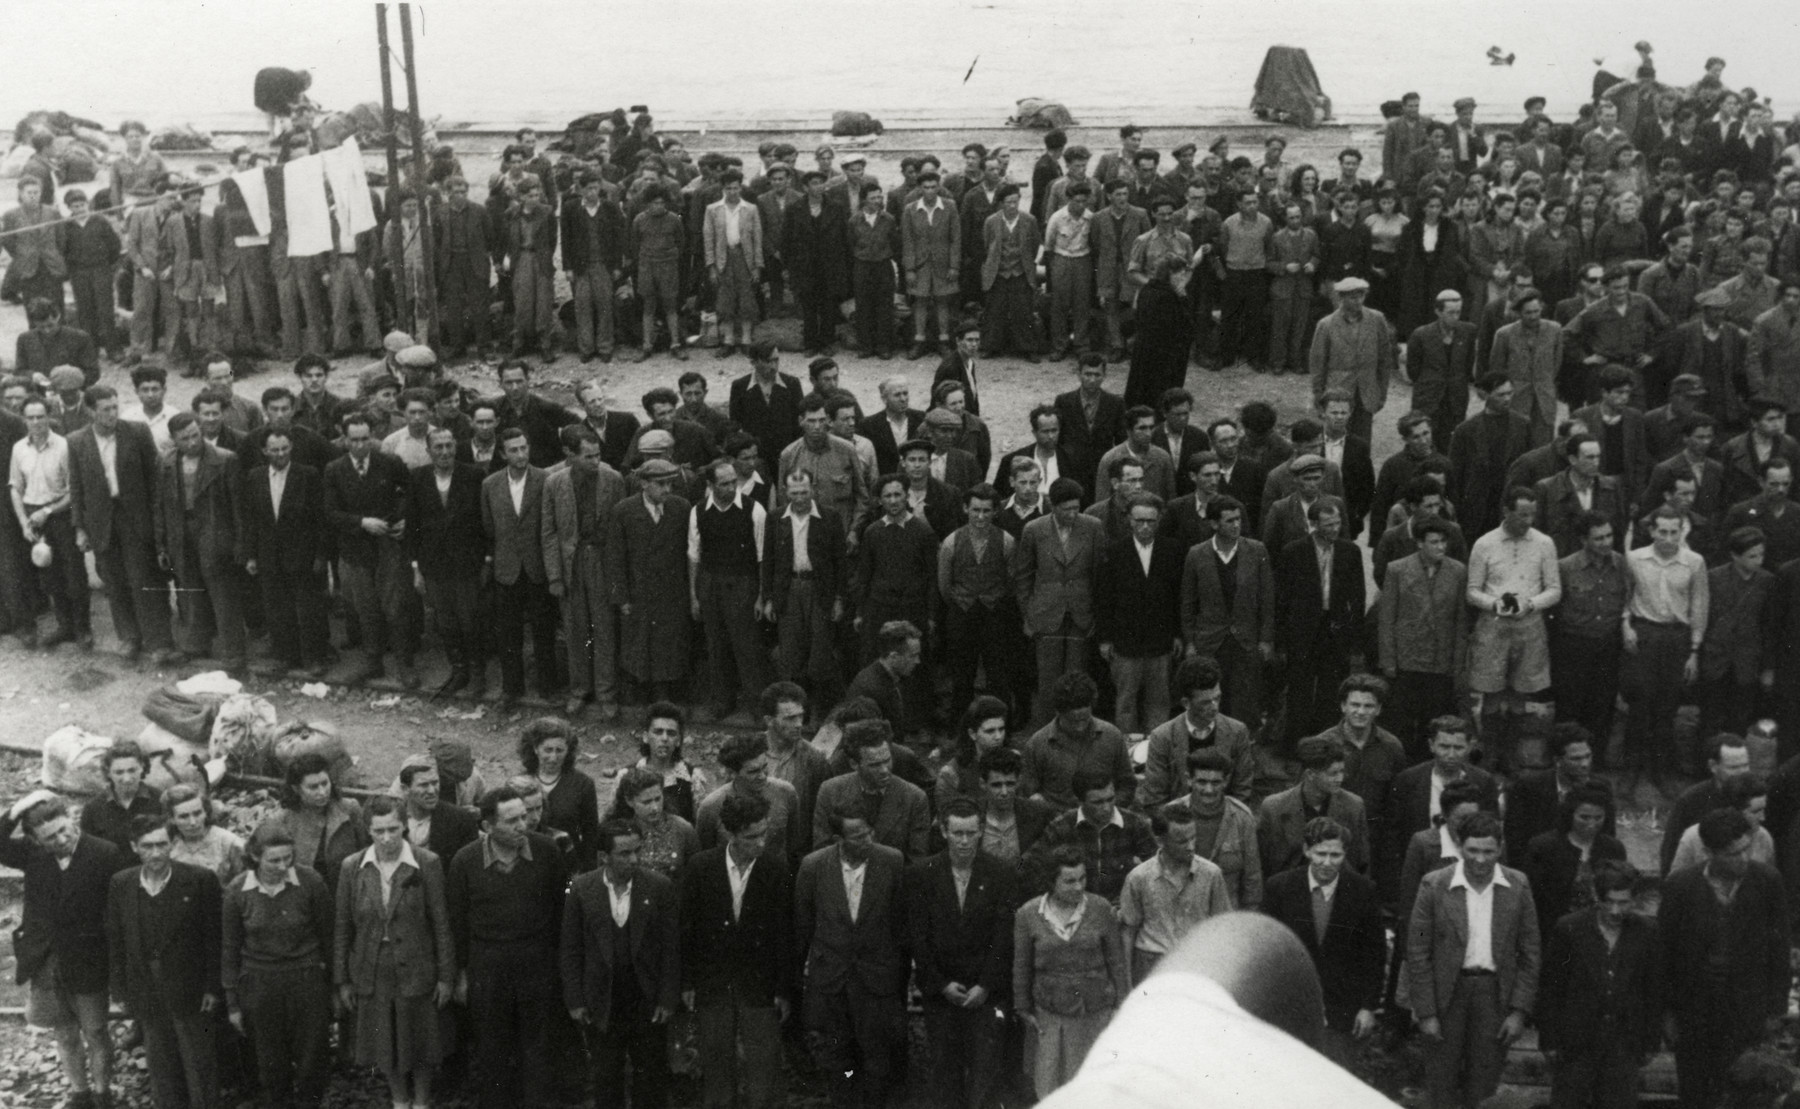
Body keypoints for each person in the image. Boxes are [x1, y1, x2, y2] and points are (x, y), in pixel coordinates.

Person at [1406, 810, 1540, 1109]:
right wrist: (1426, 1012)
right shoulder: (1434, 885)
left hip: (1494, 996)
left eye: (1489, 851)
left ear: (1500, 849)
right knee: (1441, 1084)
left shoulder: (1517, 886)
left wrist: (1519, 1011)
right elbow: (1418, 952)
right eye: (1473, 851)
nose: (1480, 859)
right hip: (1447, 996)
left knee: (1484, 1087)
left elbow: (1530, 952)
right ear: (1459, 847)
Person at [1658, 808, 1791, 1109]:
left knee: (1746, 1094)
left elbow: (1779, 951)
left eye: (1746, 849)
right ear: (1709, 852)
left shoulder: (1767, 882)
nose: (1743, 859)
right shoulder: (1681, 887)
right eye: (1732, 854)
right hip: (1694, 1016)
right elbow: (1664, 955)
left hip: (1748, 1014)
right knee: (1696, 1095)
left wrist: (1775, 1012)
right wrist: (1667, 1014)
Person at [446, 787, 569, 1109]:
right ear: (487, 826)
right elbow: (457, 924)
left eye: (524, 816)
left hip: (537, 962)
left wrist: (558, 968)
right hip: (488, 966)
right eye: (511, 820)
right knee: (492, 1048)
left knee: (538, 1047)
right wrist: (461, 975)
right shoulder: (466, 861)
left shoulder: (547, 852)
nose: (522, 825)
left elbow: (560, 913)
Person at [1, 792, 124, 1109]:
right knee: (64, 1031)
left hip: (89, 958)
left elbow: (116, 911)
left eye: (64, 830)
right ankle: (79, 1093)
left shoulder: (105, 853)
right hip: (46, 961)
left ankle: (102, 1092)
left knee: (96, 1030)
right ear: (36, 840)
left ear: (71, 818)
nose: (61, 839)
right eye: (50, 837)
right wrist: (20, 807)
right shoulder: (32, 855)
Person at [332, 797, 455, 1109]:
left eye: (393, 829)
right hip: (372, 968)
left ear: (405, 826)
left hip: (417, 966)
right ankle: (399, 1099)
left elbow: (441, 923)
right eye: (378, 831)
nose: (386, 838)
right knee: (384, 1040)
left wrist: (446, 976)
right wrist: (343, 980)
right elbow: (343, 927)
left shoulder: (426, 863)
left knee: (421, 1039)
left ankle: (422, 1101)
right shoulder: (353, 867)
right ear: (368, 830)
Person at [681, 791, 794, 1109]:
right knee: (716, 1068)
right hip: (713, 984)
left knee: (763, 1071)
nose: (760, 843)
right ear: (730, 834)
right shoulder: (701, 868)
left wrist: (784, 989)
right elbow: (686, 931)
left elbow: (786, 935)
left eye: (764, 834)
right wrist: (688, 981)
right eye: (751, 837)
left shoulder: (776, 870)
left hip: (760, 985)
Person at [561, 818, 680, 1109]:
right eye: (625, 854)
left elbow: (671, 949)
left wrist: (666, 997)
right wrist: (576, 1000)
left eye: (637, 851)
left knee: (650, 1077)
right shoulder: (581, 889)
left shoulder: (658, 887)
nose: (634, 859)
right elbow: (571, 949)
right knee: (606, 1077)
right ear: (604, 857)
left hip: (645, 998)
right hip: (602, 999)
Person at [795, 807, 907, 1109]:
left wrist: (893, 973)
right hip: (832, 981)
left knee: (876, 1054)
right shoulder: (813, 867)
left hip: (876, 980)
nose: (867, 840)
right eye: (857, 836)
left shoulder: (892, 861)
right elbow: (804, 926)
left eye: (869, 832)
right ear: (837, 838)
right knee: (838, 1056)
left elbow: (901, 924)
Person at [108, 814, 223, 1109]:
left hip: (190, 987)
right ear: (134, 846)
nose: (156, 853)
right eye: (148, 846)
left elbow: (214, 938)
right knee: (160, 1062)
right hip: (146, 985)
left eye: (162, 844)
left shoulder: (199, 880)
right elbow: (117, 940)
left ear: (172, 844)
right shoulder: (122, 884)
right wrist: (120, 989)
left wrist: (212, 986)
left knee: (198, 1061)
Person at [222, 822, 335, 1109]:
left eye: (288, 858)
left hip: (306, 979)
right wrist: (233, 1002)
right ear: (255, 857)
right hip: (260, 983)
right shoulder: (238, 890)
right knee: (270, 1060)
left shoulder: (310, 882)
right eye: (274, 860)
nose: (283, 865)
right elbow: (230, 949)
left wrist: (334, 987)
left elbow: (329, 938)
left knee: (312, 1057)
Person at [1259, 816, 1385, 1069]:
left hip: (1342, 1011)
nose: (1327, 862)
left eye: (1335, 855)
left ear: (1345, 854)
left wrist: (1368, 1007)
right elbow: (1265, 950)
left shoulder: (1362, 891)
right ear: (1307, 850)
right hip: (1290, 1009)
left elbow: (1374, 954)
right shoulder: (1279, 888)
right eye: (1320, 853)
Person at [1537, 861, 1662, 1109]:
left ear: (1635, 899)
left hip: (1624, 1042)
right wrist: (1549, 1038)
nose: (1615, 910)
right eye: (1609, 902)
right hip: (1576, 1042)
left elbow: (1654, 989)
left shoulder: (1647, 932)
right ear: (1597, 896)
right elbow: (1551, 987)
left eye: (1623, 902)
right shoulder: (1570, 928)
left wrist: (1650, 1041)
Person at [67, 384, 175, 661]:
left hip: (135, 518)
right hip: (101, 520)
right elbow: (77, 487)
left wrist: (156, 520)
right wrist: (80, 527)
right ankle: (129, 637)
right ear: (91, 411)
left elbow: (154, 480)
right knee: (114, 582)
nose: (112, 413)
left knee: (144, 579)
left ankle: (159, 641)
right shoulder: (77, 441)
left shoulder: (136, 432)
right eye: (105, 409)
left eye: (115, 407)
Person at [1013, 846, 1131, 1096]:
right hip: (1050, 1013)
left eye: (1082, 879)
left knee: (1093, 1085)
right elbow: (1022, 965)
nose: (1078, 887)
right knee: (1051, 1084)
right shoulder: (1029, 914)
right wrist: (1023, 1008)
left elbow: (1117, 962)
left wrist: (1121, 1005)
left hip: (1095, 1012)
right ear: (1051, 882)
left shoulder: (1100, 909)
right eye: (1069, 881)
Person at [1466, 486, 1561, 769]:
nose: (1528, 521)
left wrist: (1531, 603)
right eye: (1522, 515)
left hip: (1529, 626)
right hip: (1493, 626)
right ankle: (1490, 752)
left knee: (1521, 693)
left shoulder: (1545, 544)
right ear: (1506, 512)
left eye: (1532, 514)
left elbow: (1555, 589)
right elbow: (1472, 591)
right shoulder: (1485, 544)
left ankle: (1511, 755)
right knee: (1492, 693)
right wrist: (1495, 604)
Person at [1620, 506, 1710, 787]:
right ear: (1652, 531)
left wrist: (1694, 651)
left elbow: (1699, 606)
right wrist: (1626, 626)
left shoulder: (1694, 562)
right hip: (1644, 634)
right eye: (1663, 532)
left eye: (1674, 532)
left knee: (1667, 704)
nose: (1668, 538)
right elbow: (1624, 597)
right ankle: (1630, 770)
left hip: (1676, 637)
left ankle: (1660, 771)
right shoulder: (1635, 559)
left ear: (1682, 531)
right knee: (1640, 701)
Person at [326, 412, 414, 687]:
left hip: (388, 547)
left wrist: (402, 518)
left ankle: (404, 664)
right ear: (345, 439)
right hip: (357, 550)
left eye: (365, 439)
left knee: (395, 607)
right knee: (366, 609)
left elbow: (410, 492)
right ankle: (373, 661)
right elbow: (329, 512)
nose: (360, 446)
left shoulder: (388, 462)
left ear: (372, 437)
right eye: (354, 440)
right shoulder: (335, 470)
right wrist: (361, 522)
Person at [238, 425, 329, 677]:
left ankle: (314, 657)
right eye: (274, 450)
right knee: (277, 609)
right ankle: (286, 656)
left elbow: (320, 519)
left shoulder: (308, 475)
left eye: (285, 449)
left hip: (303, 555)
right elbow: (251, 520)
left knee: (308, 609)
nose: (280, 454)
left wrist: (321, 556)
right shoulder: (255, 477)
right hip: (269, 556)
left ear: (292, 448)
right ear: (265, 451)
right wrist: (251, 555)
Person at [406, 427, 488, 699]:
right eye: (438, 447)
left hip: (466, 563)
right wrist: (416, 567)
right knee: (446, 621)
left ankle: (477, 673)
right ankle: (458, 669)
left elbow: (484, 522)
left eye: (449, 446)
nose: (444, 452)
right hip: (434, 564)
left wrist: (486, 559)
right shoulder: (418, 478)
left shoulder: (473, 476)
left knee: (470, 619)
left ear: (456, 447)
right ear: (428, 451)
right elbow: (413, 526)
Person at [1274, 501, 1366, 744]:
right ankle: (1296, 745)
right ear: (1313, 525)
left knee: (1332, 690)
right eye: (1328, 524)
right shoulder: (1293, 552)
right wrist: (1281, 640)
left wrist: (1354, 637)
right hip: (1303, 632)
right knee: (1300, 691)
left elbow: (1358, 598)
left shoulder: (1350, 551)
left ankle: (1326, 743)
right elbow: (1282, 599)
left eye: (1337, 523)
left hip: (1335, 631)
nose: (1335, 529)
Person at [1013, 478, 1104, 723]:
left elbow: (1098, 574)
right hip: (1045, 614)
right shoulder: (1034, 529)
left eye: (1076, 508)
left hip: (1081, 614)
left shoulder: (1093, 527)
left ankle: (1077, 726)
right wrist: (1028, 613)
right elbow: (1023, 576)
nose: (1073, 514)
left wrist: (1095, 613)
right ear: (1053, 506)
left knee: (1077, 677)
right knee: (1048, 680)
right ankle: (1046, 731)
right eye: (1066, 509)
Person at [1178, 495, 1273, 729]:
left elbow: (1267, 599)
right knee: (1211, 700)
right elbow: (1188, 603)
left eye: (1239, 519)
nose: (1236, 525)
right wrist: (1190, 642)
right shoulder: (1196, 554)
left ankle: (1245, 750)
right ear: (1214, 524)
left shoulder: (1256, 550)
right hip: (1210, 641)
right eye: (1230, 521)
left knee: (1246, 702)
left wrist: (1266, 639)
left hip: (1246, 640)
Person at [1377, 518, 1468, 756]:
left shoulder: (1458, 571)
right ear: (1419, 543)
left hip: (1440, 662)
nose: (1440, 547)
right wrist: (1388, 660)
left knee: (1434, 723)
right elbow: (1387, 618)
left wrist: (1457, 664)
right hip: (1406, 660)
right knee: (1402, 723)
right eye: (1434, 542)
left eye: (1443, 542)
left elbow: (1461, 623)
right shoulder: (1397, 569)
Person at [607, 458, 694, 702]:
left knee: (672, 645)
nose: (667, 490)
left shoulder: (681, 508)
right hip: (639, 593)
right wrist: (621, 597)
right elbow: (615, 558)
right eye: (660, 484)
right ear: (644, 483)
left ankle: (672, 696)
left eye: (670, 484)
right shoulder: (624, 511)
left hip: (672, 592)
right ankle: (644, 695)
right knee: (640, 644)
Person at [11, 396, 91, 650]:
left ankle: (82, 629)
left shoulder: (64, 446)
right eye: (31, 417)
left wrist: (47, 511)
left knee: (74, 575)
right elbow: (15, 487)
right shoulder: (19, 449)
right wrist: (24, 521)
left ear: (49, 417)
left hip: (60, 515)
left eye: (40, 416)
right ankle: (64, 626)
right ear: (24, 420)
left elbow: (73, 491)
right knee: (50, 576)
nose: (36, 422)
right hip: (35, 518)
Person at [1119, 807, 1231, 984]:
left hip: (1197, 964)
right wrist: (1126, 983)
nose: (1191, 847)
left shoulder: (1211, 874)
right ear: (1160, 840)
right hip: (1151, 966)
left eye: (1193, 837)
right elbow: (1128, 932)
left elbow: (1222, 928)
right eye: (1181, 841)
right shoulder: (1139, 878)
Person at [1140, 655, 1255, 807]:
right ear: (1186, 703)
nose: (1215, 706)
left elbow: (1242, 793)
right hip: (1178, 822)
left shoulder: (1237, 732)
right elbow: (1155, 799)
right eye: (1206, 702)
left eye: (1217, 698)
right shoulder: (1162, 737)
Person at [812, 718, 932, 861]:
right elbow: (822, 852)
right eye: (874, 765)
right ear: (854, 764)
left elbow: (916, 860)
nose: (884, 770)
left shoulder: (914, 798)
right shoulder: (830, 792)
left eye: (887, 760)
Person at [1700, 526, 1777, 738]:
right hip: (1715, 659)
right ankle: (1704, 767)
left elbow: (1768, 626)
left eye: (1761, 554)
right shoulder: (1713, 578)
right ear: (1735, 555)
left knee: (1740, 718)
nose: (1758, 560)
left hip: (1747, 662)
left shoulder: (1768, 581)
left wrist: (1766, 666)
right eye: (1752, 556)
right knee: (1709, 717)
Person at [1257, 736, 1371, 878]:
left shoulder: (1354, 806)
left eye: (1342, 772)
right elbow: (1263, 864)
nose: (1340, 779)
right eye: (1333, 773)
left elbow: (1362, 862)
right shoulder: (1274, 807)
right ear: (1310, 774)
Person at [696, 733, 805, 869]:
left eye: (765, 767)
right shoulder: (711, 807)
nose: (762, 776)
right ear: (732, 773)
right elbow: (704, 858)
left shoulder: (786, 793)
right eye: (753, 771)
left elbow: (794, 850)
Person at [1309, 277, 1396, 441]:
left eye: (1361, 296)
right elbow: (1317, 364)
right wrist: (1318, 395)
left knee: (1362, 441)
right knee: (1336, 439)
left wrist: (1382, 393)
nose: (1358, 301)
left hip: (1367, 391)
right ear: (1341, 298)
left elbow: (1385, 359)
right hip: (1337, 391)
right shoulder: (1326, 325)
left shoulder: (1377, 319)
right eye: (1353, 297)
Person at [515, 717, 601, 873]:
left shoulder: (583, 785)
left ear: (568, 751)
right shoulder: (520, 783)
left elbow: (590, 834)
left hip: (566, 865)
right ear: (535, 748)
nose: (553, 758)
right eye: (548, 750)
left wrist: (588, 874)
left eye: (559, 750)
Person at [1661, 734, 1754, 875]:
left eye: (1745, 766)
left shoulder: (1758, 798)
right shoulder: (1690, 801)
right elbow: (1671, 852)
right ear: (1713, 766)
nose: (1742, 773)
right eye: (1734, 768)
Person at [78, 740, 161, 850]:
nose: (126, 779)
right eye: (119, 772)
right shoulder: (93, 809)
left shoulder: (160, 799)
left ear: (142, 767)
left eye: (132, 770)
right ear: (108, 773)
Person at [163, 783, 247, 881]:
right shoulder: (167, 844)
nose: (193, 822)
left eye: (197, 813)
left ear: (206, 812)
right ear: (172, 819)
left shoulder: (229, 843)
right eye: (184, 816)